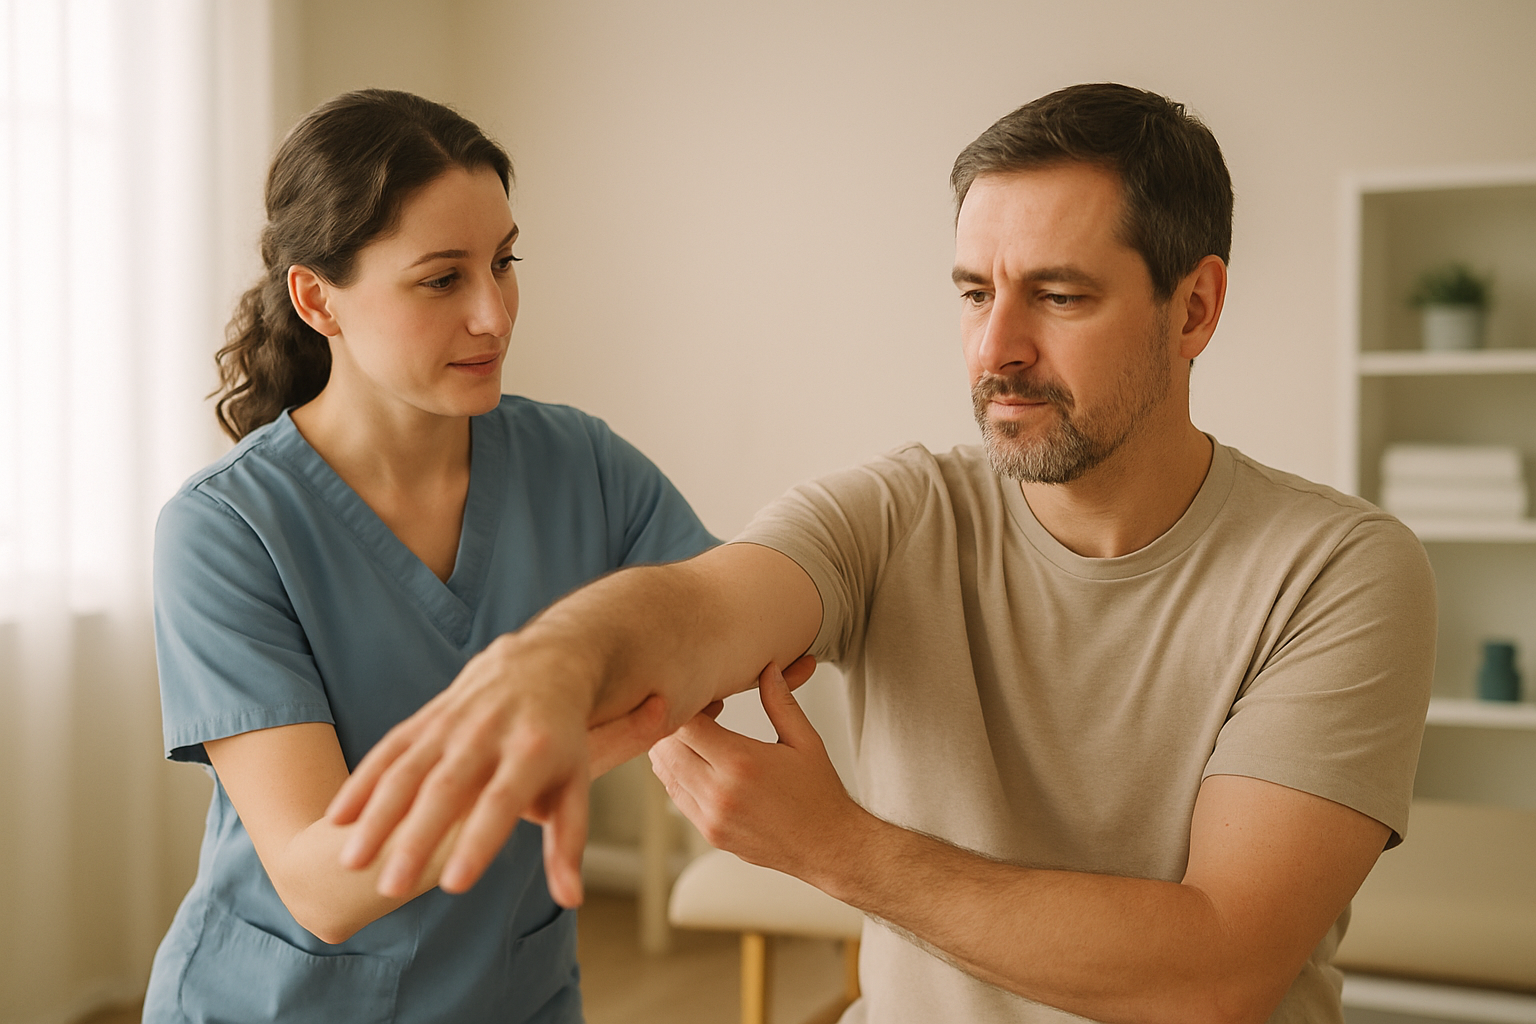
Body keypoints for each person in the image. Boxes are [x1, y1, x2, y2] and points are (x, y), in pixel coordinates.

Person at [327, 83, 1437, 1024]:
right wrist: (558, 659)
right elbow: (702, 605)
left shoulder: (1338, 571)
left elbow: (1219, 961)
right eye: (973, 293)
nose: (996, 348)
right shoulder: (901, 510)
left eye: (1058, 295)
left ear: (1193, 308)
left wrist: (838, 849)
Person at [142, 89, 769, 1023]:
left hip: (515, 993)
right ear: (317, 298)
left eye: (504, 264)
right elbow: (323, 881)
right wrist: (554, 751)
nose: (495, 315)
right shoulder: (228, 528)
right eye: (443, 279)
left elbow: (726, 612)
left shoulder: (579, 463)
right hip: (278, 1004)